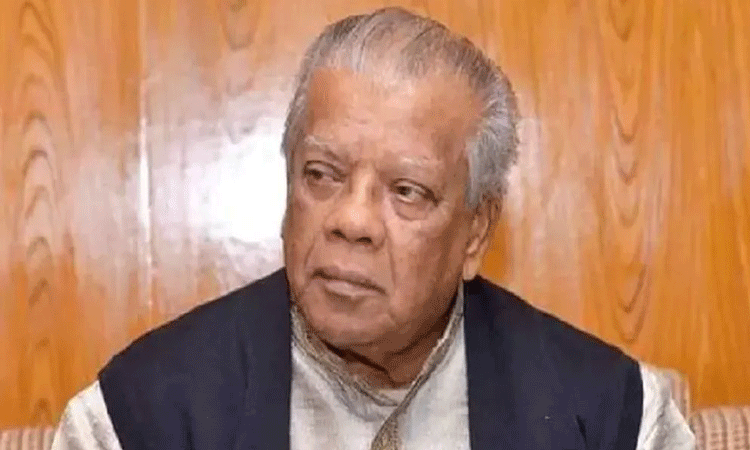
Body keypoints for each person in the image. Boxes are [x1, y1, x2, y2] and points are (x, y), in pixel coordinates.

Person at [51, 7, 695, 450]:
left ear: (475, 232)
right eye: (322, 175)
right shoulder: (139, 417)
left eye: (407, 191)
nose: (351, 220)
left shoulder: (613, 418)